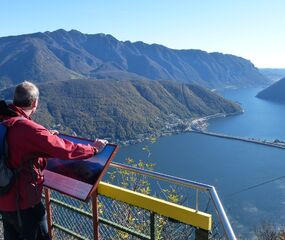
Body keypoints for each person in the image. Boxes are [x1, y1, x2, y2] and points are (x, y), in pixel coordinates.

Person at [0, 81, 108, 240]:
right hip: (25, 204)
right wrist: (93, 149)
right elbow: (65, 149)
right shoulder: (29, 129)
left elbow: (18, 149)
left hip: (5, 202)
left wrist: (44, 136)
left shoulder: (4, 120)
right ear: (35, 102)